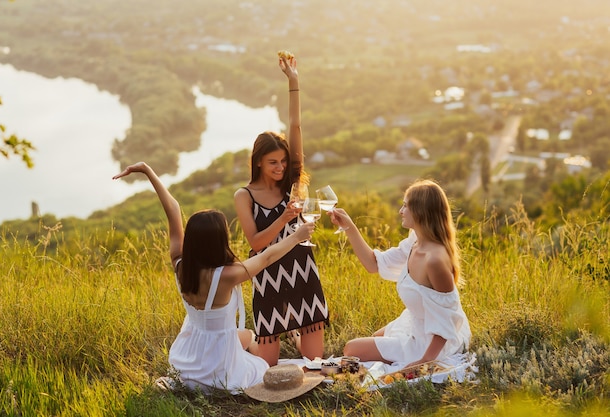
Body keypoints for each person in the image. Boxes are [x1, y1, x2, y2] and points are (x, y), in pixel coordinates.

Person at [113, 162, 314, 393]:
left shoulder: (180, 264)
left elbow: (173, 209)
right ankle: (272, 368)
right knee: (254, 355)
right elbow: (267, 257)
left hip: (186, 364)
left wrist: (147, 171)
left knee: (246, 336)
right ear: (219, 241)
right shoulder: (227, 276)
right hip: (218, 372)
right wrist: (296, 237)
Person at [234, 52, 329, 366]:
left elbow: (295, 125)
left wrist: (294, 82)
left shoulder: (293, 185)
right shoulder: (244, 195)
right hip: (268, 272)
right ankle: (247, 341)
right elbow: (256, 244)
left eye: (284, 161)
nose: (280, 167)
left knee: (315, 360)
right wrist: (287, 220)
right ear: (258, 161)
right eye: (273, 162)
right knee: (266, 365)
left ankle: (297, 336)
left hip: (302, 267)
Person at [328, 179, 471, 368]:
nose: (400, 211)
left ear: (420, 211)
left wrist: (425, 360)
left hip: (433, 340)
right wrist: (349, 227)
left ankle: (412, 351)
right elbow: (373, 264)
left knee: (351, 349)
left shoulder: (435, 260)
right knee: (370, 341)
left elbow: (448, 319)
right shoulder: (415, 242)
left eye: (405, 205)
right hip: (415, 322)